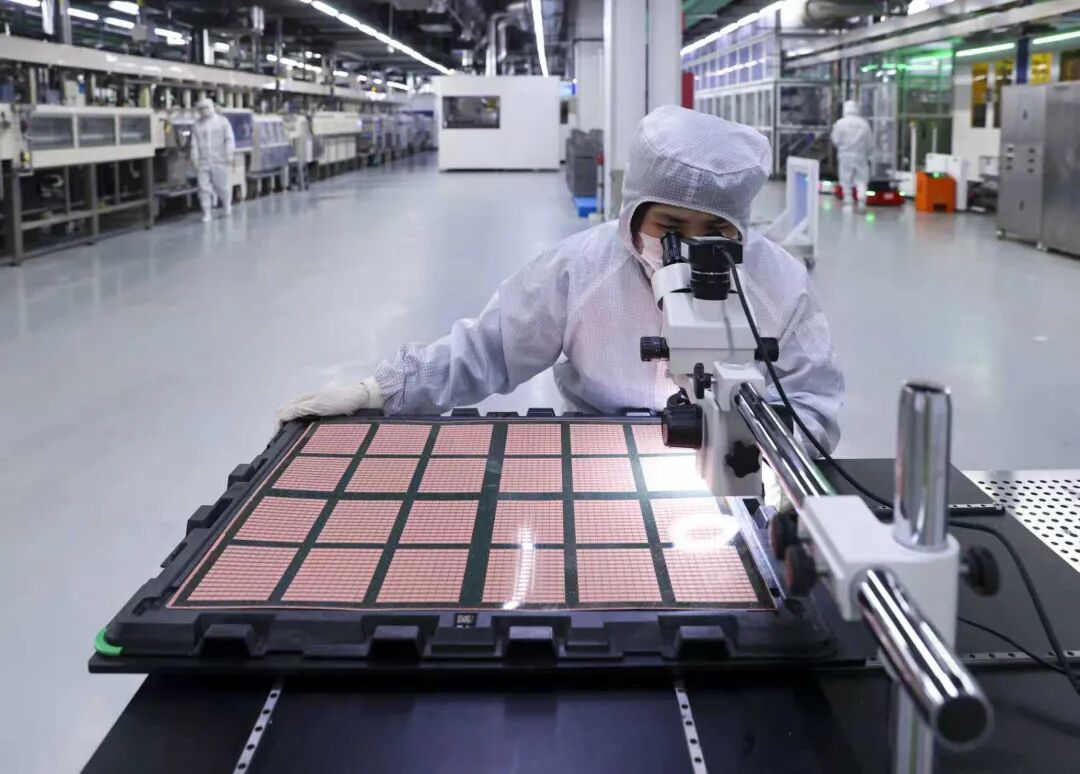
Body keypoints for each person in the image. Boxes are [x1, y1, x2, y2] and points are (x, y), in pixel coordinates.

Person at [278, 106, 844, 453]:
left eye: (714, 231)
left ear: (739, 227)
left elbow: (812, 404)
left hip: (739, 454)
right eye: (670, 228)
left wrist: (759, 449)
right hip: (600, 450)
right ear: (634, 212)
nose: (691, 248)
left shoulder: (779, 284)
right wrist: (379, 392)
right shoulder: (580, 269)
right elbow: (489, 350)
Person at [191, 98, 236, 222]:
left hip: (219, 160)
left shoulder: (222, 122)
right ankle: (207, 212)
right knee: (203, 188)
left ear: (212, 108)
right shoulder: (197, 125)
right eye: (201, 109)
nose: (204, 111)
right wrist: (194, 157)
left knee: (222, 186)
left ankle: (227, 206)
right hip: (203, 161)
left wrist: (229, 154)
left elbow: (229, 139)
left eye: (207, 108)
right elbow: (194, 144)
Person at [830, 100, 873, 211]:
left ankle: (848, 202)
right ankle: (862, 201)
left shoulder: (840, 123)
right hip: (861, 156)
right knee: (861, 179)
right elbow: (870, 142)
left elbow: (835, 140)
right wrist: (868, 153)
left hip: (845, 156)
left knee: (846, 179)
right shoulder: (864, 124)